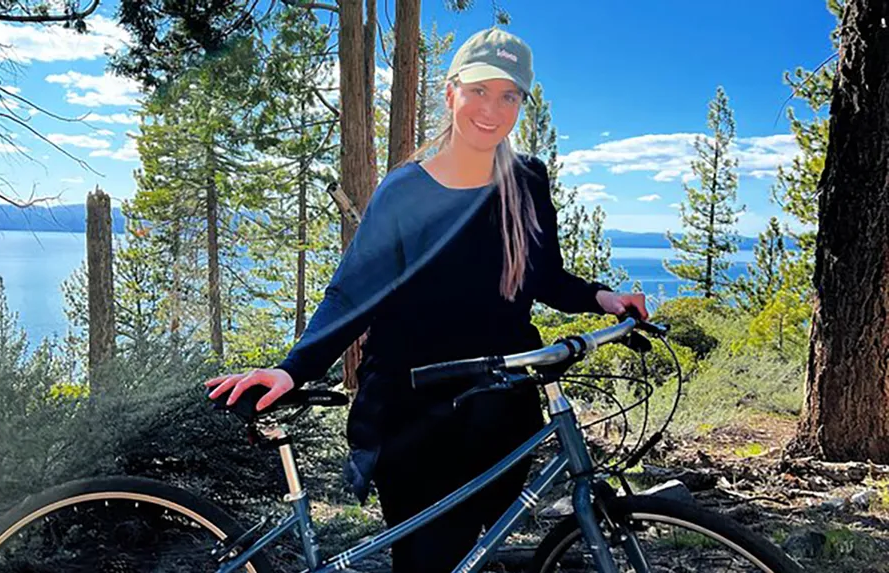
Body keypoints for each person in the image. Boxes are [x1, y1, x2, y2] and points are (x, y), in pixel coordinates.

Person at [206, 27, 649, 573]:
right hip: (415, 415)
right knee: (428, 560)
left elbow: (543, 275)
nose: (492, 109)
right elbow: (352, 292)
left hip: (501, 405)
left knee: (474, 555)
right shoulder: (405, 191)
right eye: (480, 91)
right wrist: (293, 368)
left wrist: (603, 298)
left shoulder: (528, 181)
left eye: (508, 95)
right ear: (451, 92)